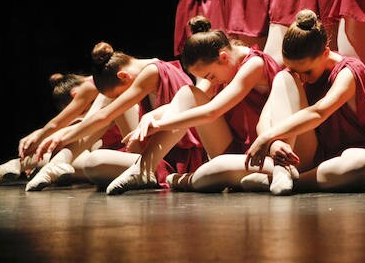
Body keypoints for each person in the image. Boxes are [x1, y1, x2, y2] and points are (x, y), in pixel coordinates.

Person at [97, 15, 284, 195]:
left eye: (210, 76)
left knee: (206, 175)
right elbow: (192, 99)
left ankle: (171, 177)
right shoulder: (224, 67)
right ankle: (143, 169)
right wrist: (153, 116)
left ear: (224, 56)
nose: (212, 80)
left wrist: (161, 124)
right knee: (189, 92)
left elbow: (212, 111)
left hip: (261, 149)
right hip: (235, 146)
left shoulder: (254, 65)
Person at [242, 9, 365, 195]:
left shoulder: (349, 70)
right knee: (282, 78)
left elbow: (319, 112)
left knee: (363, 164)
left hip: (345, 158)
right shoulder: (292, 75)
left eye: (307, 72)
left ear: (326, 53)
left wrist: (267, 137)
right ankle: (282, 171)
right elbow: (266, 118)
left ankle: (292, 181)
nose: (301, 77)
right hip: (308, 155)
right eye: (295, 70)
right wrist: (273, 144)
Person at [27, 42, 205, 191]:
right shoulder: (147, 71)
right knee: (84, 161)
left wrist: (64, 136)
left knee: (93, 161)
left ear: (123, 76)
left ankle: (59, 162)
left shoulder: (152, 72)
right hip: (148, 147)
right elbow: (100, 116)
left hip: (173, 157)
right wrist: (64, 135)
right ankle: (57, 162)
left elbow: (105, 115)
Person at [0, 71, 133, 186]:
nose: (84, 113)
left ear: (75, 95)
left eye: (81, 109)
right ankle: (22, 164)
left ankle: (25, 164)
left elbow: (79, 123)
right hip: (113, 151)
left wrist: (44, 134)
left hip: (130, 150)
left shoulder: (106, 88)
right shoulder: (98, 89)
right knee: (64, 155)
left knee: (88, 153)